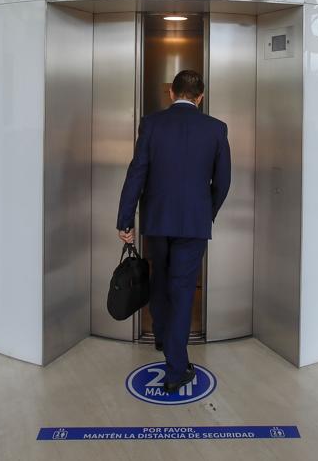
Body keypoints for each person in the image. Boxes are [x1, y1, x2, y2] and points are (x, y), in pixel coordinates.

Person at [116, 69, 231, 393]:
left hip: (157, 219)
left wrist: (126, 220)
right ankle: (176, 368)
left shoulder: (151, 124)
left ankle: (165, 339)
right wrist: (205, 213)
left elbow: (136, 173)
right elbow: (223, 182)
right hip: (193, 224)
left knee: (160, 280)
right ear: (201, 96)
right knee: (182, 290)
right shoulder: (215, 129)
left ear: (171, 93)